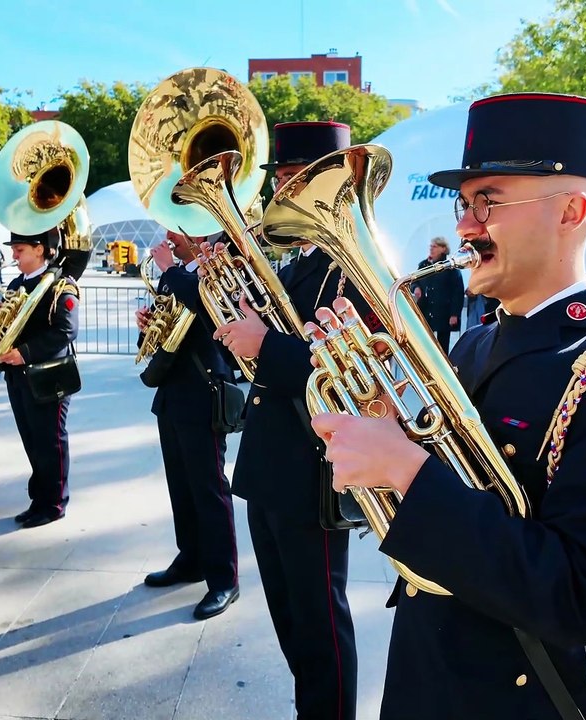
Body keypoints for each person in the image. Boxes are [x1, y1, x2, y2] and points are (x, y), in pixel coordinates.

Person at [309, 93, 586, 720]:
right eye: (464, 203)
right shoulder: (475, 341)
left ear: (572, 210)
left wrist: (407, 474)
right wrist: (387, 436)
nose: (466, 225)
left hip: (528, 697)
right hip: (431, 663)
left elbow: (581, 595)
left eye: (488, 201)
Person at [205, 121, 383, 719]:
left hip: (312, 469)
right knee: (291, 616)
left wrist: (265, 343)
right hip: (271, 463)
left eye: (288, 180)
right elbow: (281, 338)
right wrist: (245, 318)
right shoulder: (302, 261)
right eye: (278, 180)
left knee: (320, 620)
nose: (278, 194)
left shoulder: (350, 262)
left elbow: (354, 364)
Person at [138, 231, 240, 620]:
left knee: (210, 488)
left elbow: (206, 305)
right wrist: (148, 326)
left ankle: (224, 579)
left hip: (203, 392)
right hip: (172, 392)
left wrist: (167, 271)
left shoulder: (218, 268)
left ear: (197, 232)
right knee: (180, 485)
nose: (167, 238)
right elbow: (165, 333)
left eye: (175, 229)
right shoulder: (180, 276)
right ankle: (191, 558)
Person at [0, 230, 80, 528]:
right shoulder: (17, 284)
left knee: (49, 440)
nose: (14, 255)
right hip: (18, 376)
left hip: (48, 376)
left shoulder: (60, 285)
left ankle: (54, 502)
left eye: (19, 249)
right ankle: (39, 499)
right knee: (31, 438)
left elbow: (65, 331)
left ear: (40, 249)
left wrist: (24, 353)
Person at [412, 236, 465, 351]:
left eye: (435, 246)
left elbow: (458, 292)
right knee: (425, 341)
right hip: (426, 309)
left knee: (443, 344)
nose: (431, 249)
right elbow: (414, 281)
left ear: (443, 249)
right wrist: (416, 288)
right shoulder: (424, 265)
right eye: (430, 246)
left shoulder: (450, 267)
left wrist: (454, 314)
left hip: (444, 311)